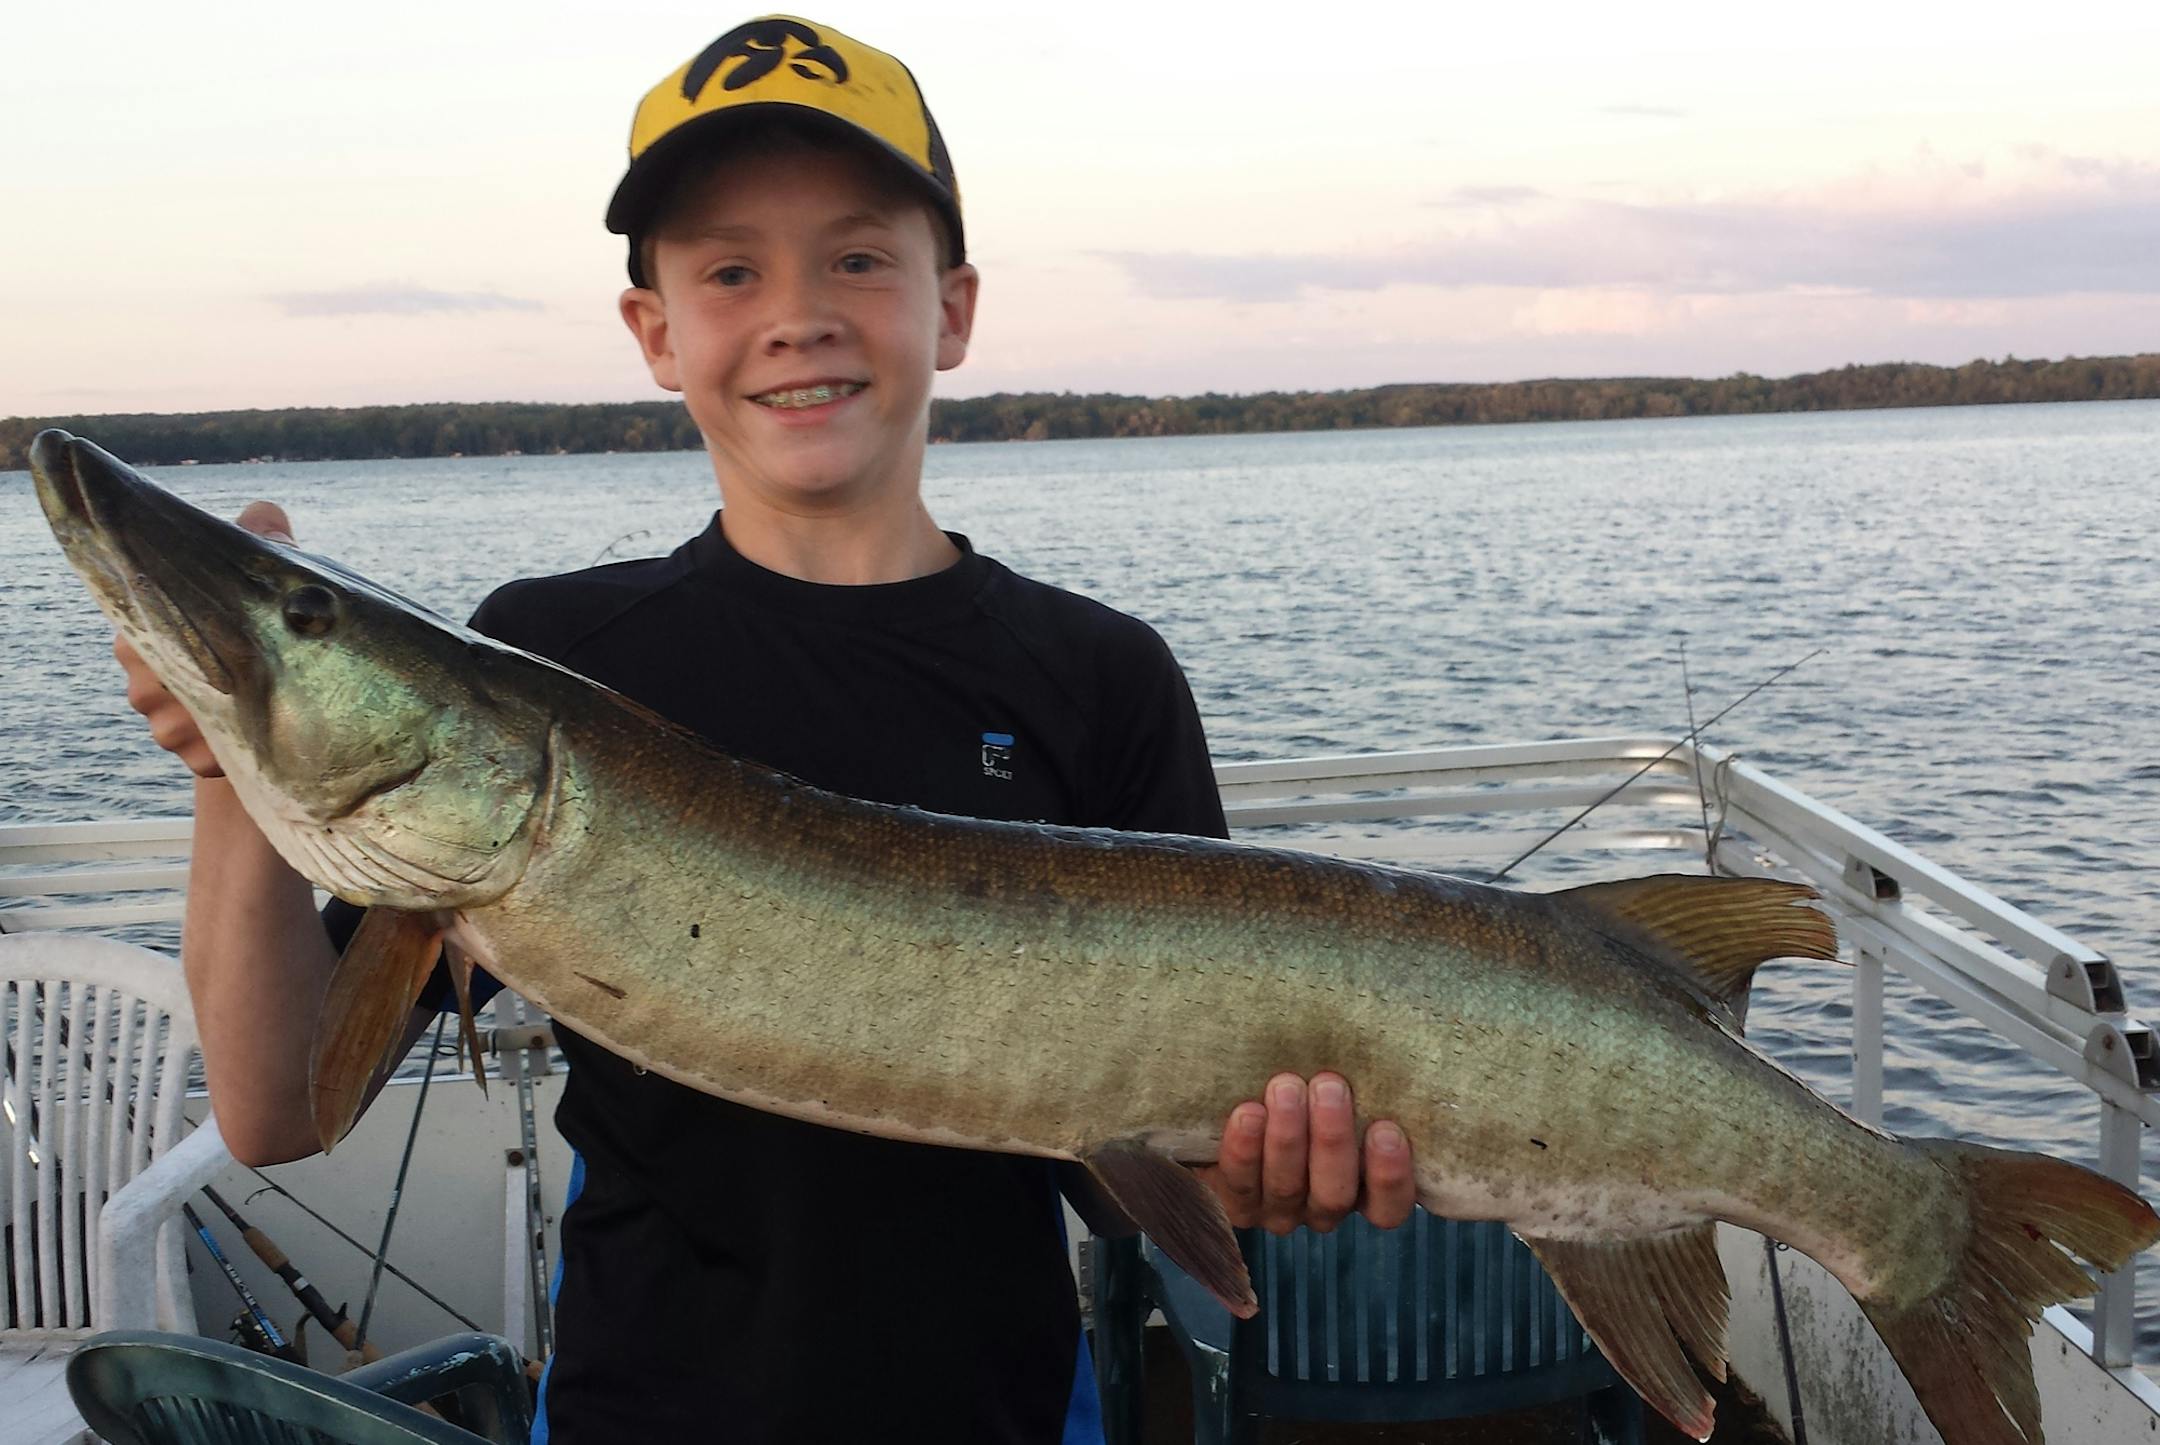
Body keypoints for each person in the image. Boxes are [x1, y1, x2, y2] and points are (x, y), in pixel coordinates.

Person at [118, 16, 1417, 1441]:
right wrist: (236, 758)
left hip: (1006, 1413)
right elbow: (272, 1106)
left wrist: (1264, 1170)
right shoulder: (549, 658)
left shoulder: (1097, 677)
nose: (798, 311)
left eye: (858, 256)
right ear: (657, 331)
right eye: (732, 269)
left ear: (955, 307)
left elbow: (1165, 1153)